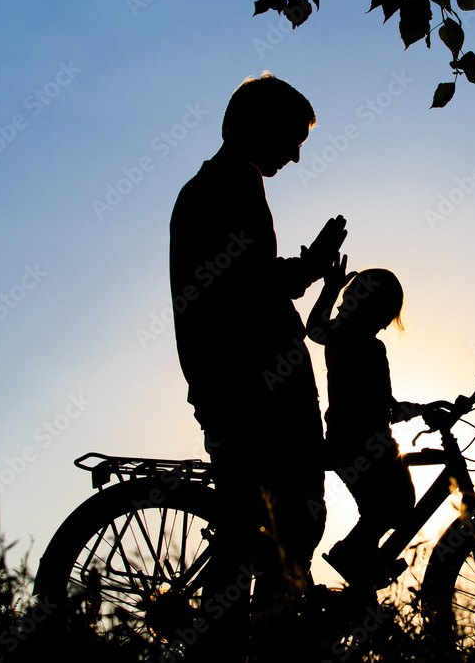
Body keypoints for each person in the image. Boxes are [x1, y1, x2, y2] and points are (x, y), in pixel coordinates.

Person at [169, 72, 345, 657]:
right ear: (258, 126)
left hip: (236, 380)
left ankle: (250, 639)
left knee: (257, 527)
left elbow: (240, 280)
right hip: (255, 385)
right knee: (288, 523)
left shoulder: (218, 185)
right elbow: (244, 286)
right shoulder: (228, 186)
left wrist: (305, 269)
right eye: (291, 139)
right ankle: (262, 643)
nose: (295, 156)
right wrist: (311, 267)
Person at [305, 258, 421, 587]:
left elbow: (314, 328)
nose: (385, 324)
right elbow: (385, 403)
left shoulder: (340, 337)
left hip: (347, 440)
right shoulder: (368, 346)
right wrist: (414, 409)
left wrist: (330, 289)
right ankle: (353, 554)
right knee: (397, 505)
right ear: (376, 311)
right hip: (364, 443)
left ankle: (361, 561)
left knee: (383, 508)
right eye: (386, 315)